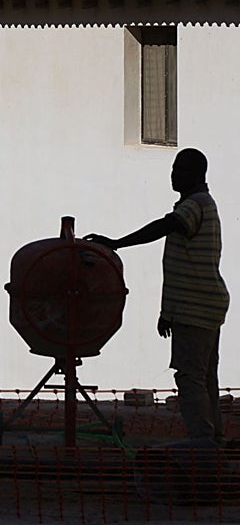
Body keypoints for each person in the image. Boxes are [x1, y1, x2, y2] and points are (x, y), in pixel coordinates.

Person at [86, 148, 229, 443]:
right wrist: (168, 313)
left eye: (179, 169)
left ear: (195, 174)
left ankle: (203, 444)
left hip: (195, 308)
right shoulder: (202, 205)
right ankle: (214, 438)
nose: (173, 175)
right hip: (202, 306)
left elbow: (165, 226)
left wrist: (117, 243)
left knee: (190, 377)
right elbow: (184, 264)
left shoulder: (195, 205)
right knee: (204, 376)